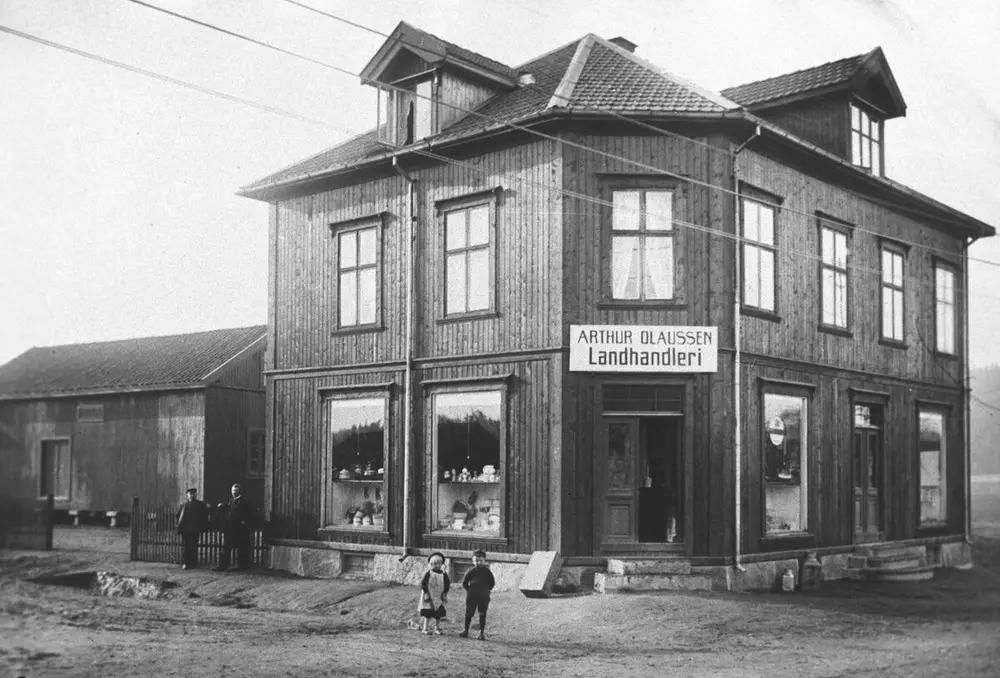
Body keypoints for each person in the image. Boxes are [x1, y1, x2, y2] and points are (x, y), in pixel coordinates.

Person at [213, 483, 256, 571]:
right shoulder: (232, 501)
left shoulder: (244, 502)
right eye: (233, 491)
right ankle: (223, 566)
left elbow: (248, 514)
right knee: (226, 548)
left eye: (236, 491)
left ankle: (242, 566)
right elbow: (230, 510)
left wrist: (244, 522)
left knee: (241, 548)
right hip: (230, 529)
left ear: (240, 491)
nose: (234, 493)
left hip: (239, 530)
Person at [459, 549, 495, 640]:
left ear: (484, 561)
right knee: (469, 613)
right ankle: (466, 631)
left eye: (481, 560)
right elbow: (464, 583)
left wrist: (486, 590)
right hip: (472, 596)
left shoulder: (487, 572)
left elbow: (492, 583)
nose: (479, 562)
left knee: (482, 613)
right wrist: (470, 590)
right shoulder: (471, 571)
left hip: (483, 596)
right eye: (476, 561)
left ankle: (481, 633)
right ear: (473, 561)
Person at [175, 488, 207, 570]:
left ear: (196, 495)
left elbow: (205, 513)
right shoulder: (183, 505)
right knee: (186, 547)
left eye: (194, 494)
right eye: (190, 494)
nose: (192, 495)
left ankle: (194, 563)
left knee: (194, 546)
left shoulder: (200, 504)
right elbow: (178, 515)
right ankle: (186, 563)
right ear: (187, 495)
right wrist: (179, 526)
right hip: (186, 530)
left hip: (195, 529)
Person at [418, 552, 450, 635]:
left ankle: (437, 627)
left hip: (438, 595)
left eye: (439, 563)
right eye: (435, 563)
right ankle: (425, 627)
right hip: (429, 595)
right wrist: (426, 593)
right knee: (428, 613)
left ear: (442, 564)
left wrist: (445, 593)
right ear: (431, 564)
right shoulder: (429, 573)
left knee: (438, 614)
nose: (437, 565)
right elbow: (423, 583)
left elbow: (447, 584)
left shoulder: (444, 574)